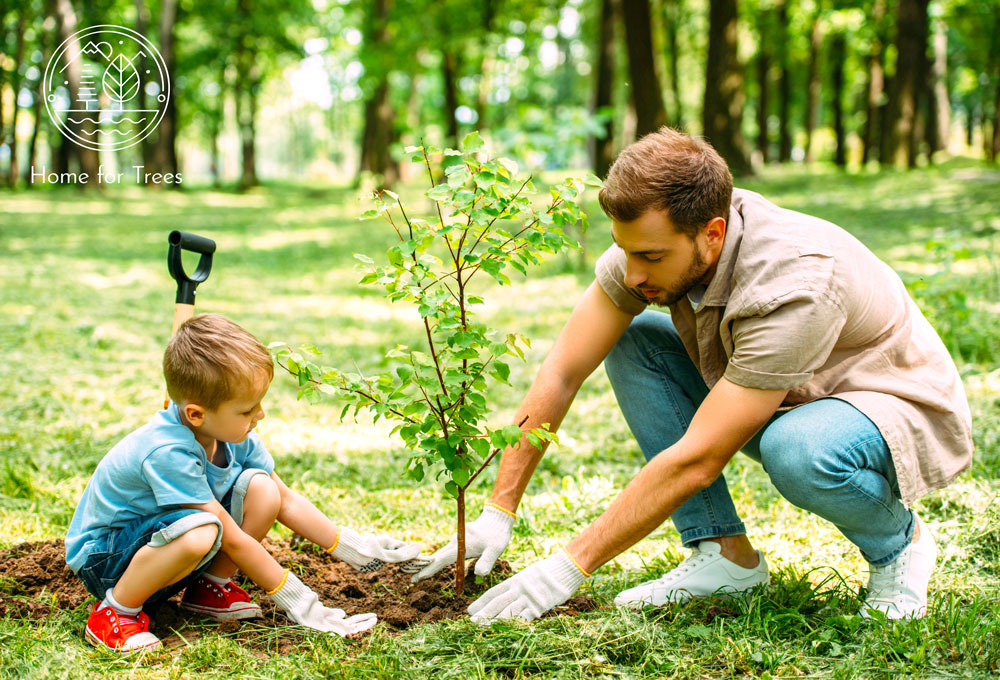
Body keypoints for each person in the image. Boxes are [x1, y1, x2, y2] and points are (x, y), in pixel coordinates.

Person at [412, 128, 973, 623]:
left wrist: (566, 567)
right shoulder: (649, 247)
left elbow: (700, 458)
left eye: (651, 258)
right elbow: (562, 370)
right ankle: (725, 558)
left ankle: (900, 546)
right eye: (624, 251)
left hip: (886, 404)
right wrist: (497, 509)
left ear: (711, 232)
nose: (633, 274)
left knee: (796, 449)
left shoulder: (794, 283)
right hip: (786, 390)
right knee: (634, 342)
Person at [65, 313, 425, 653]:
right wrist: (300, 601)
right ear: (196, 413)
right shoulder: (167, 451)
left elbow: (285, 499)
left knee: (262, 490)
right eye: (247, 409)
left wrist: (354, 549)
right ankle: (115, 613)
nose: (260, 415)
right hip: (107, 560)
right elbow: (232, 539)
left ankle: (208, 590)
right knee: (203, 529)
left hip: (161, 546)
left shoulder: (230, 433)